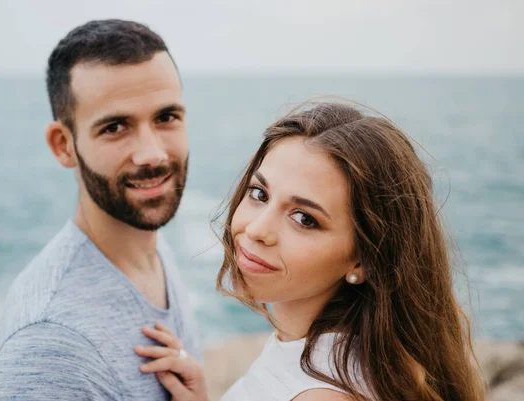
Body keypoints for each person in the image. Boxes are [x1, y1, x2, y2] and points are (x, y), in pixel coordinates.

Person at [134, 102, 485, 401]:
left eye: (304, 218)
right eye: (259, 194)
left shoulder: (323, 392)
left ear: (364, 259)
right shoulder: (320, 350)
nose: (257, 230)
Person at [0, 19, 200, 400]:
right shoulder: (48, 348)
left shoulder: (149, 246)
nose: (152, 153)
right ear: (63, 145)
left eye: (166, 117)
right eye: (115, 127)